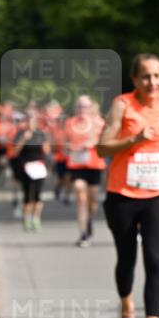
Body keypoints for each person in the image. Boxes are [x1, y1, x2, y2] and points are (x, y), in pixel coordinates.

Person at [97, 54, 159, 318]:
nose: (152, 82)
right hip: (123, 194)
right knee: (127, 258)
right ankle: (127, 311)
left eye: (157, 76)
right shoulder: (123, 105)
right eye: (146, 76)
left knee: (155, 259)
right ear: (135, 79)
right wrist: (135, 139)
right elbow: (102, 147)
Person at [64, 95, 106, 247]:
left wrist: (92, 143)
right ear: (76, 108)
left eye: (86, 106)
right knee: (80, 194)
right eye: (80, 106)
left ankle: (89, 221)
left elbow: (105, 141)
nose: (83, 109)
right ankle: (83, 234)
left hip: (94, 165)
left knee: (92, 202)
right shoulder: (70, 123)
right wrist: (69, 147)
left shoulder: (98, 123)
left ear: (91, 108)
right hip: (76, 165)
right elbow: (65, 143)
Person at [12, 105, 50, 231]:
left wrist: (44, 144)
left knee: (38, 194)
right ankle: (27, 219)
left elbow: (47, 151)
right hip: (26, 167)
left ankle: (36, 218)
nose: (30, 122)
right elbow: (15, 151)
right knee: (28, 195)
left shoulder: (41, 134)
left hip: (39, 167)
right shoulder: (21, 133)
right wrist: (24, 139)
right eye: (28, 119)